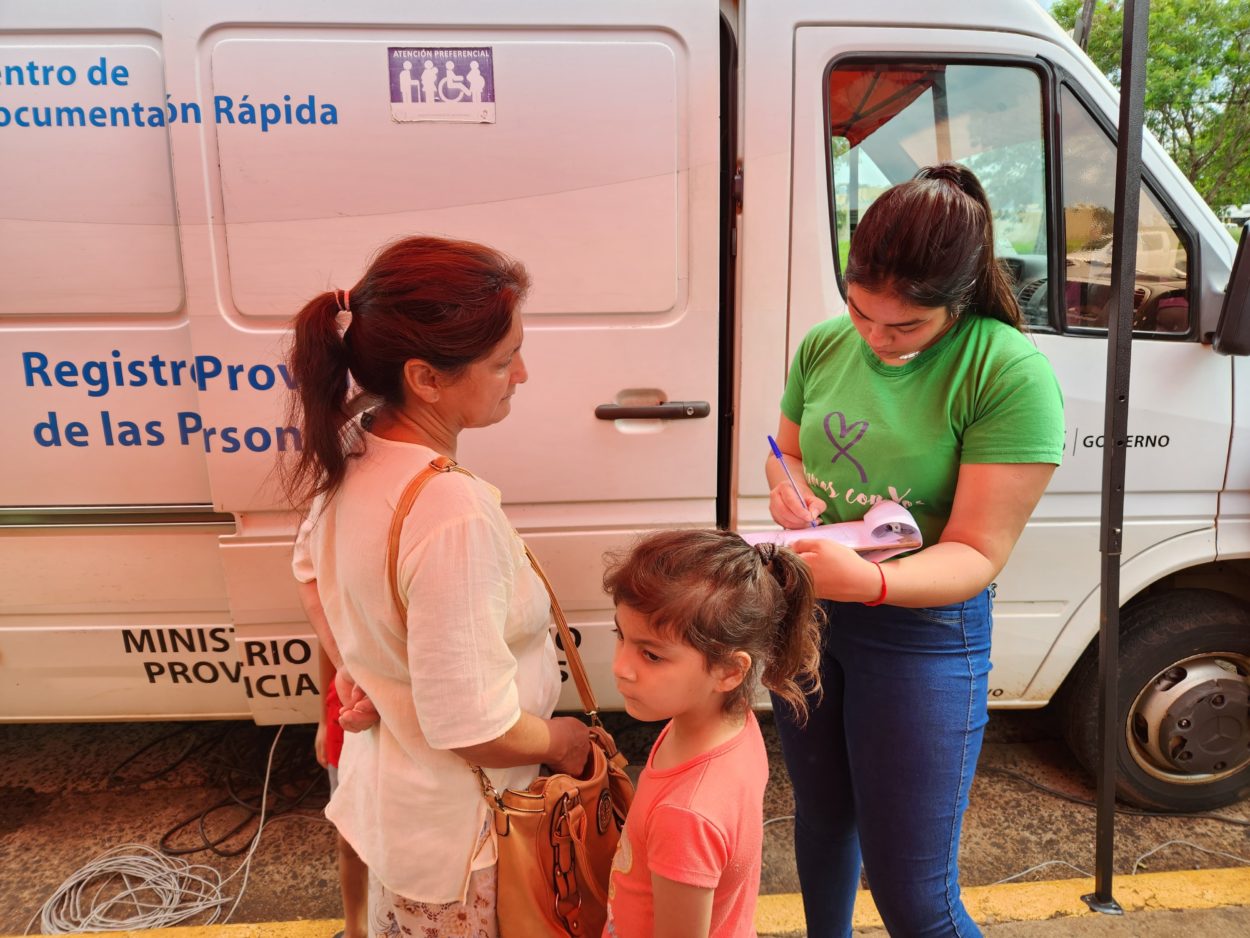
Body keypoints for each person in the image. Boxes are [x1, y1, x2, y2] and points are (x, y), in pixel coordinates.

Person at [766, 163, 1065, 938]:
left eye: (905, 328)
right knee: (822, 823)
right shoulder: (825, 345)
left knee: (916, 901)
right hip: (811, 616)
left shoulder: (1008, 371)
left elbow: (975, 551)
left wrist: (866, 582)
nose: (876, 338)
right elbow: (788, 450)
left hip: (924, 634)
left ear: (959, 302)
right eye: (862, 313)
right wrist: (786, 488)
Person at [285, 236, 592, 937]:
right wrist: (562, 741)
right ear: (426, 377)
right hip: (465, 845)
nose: (522, 375)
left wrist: (355, 670)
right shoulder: (450, 511)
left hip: (403, 818)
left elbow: (308, 568)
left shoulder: (358, 447)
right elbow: (472, 725)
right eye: (504, 360)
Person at [601, 529, 824, 938]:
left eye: (651, 654)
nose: (621, 666)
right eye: (621, 635)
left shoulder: (685, 815)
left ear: (729, 671)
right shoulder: (731, 723)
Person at [313, 648, 367, 938]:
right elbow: (325, 645)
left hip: (402, 728)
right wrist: (323, 719)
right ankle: (355, 930)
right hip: (344, 723)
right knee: (349, 838)